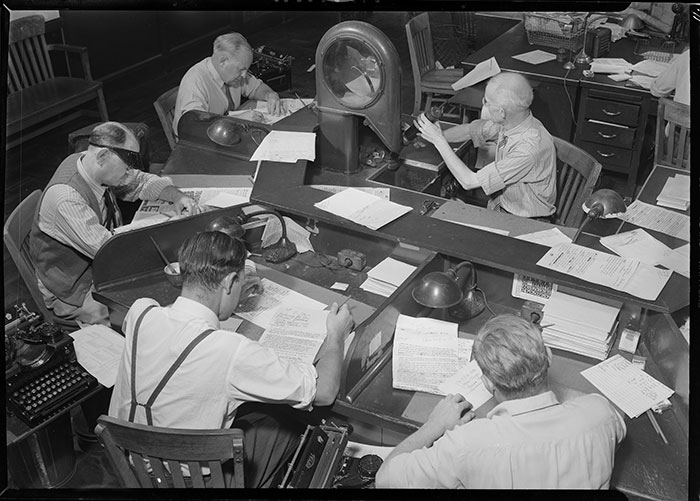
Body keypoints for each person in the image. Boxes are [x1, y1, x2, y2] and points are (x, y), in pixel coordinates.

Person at [108, 231, 354, 488]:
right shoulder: (231, 351)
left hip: (134, 468)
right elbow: (325, 392)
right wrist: (335, 333)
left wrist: (225, 300)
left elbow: (180, 319)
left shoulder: (141, 312)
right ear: (229, 282)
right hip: (194, 482)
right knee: (288, 420)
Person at [375, 314, 626, 489]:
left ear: (487, 383)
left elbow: (385, 479)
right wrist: (536, 371)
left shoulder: (467, 444)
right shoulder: (599, 414)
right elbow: (613, 418)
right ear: (548, 357)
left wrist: (435, 425)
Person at [28, 121, 199, 326]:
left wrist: (176, 196)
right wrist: (166, 228)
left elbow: (140, 181)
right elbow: (111, 253)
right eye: (126, 166)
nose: (130, 171)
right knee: (145, 319)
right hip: (75, 290)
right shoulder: (65, 198)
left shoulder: (92, 166)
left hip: (101, 263)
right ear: (102, 157)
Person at [414, 72, 557, 221]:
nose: (484, 104)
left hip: (527, 222)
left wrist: (438, 140)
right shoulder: (514, 122)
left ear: (501, 112)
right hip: (503, 205)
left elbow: (468, 181)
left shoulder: (528, 149)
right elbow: (470, 130)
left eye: (487, 102)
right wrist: (430, 136)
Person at [173, 32, 284, 135]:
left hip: (226, 132)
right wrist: (237, 120)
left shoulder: (232, 74)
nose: (244, 75)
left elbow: (256, 87)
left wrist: (270, 95)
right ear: (223, 62)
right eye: (241, 69)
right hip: (200, 143)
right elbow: (194, 127)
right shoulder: (195, 81)